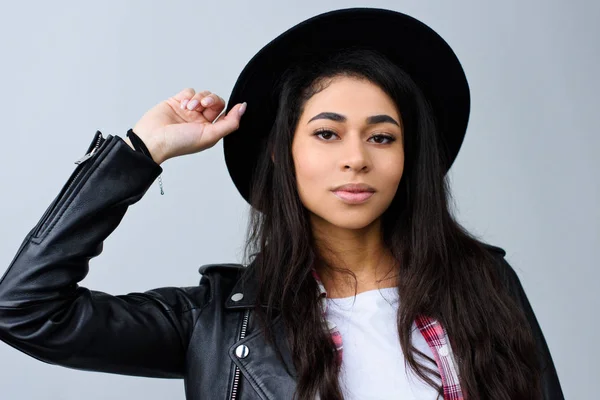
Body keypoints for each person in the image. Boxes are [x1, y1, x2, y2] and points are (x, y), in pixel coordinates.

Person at [0, 7, 564, 400]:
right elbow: (27, 310)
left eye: (382, 136)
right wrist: (140, 152)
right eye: (326, 133)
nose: (356, 159)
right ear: (280, 155)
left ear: (408, 157)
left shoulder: (484, 283)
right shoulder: (220, 322)